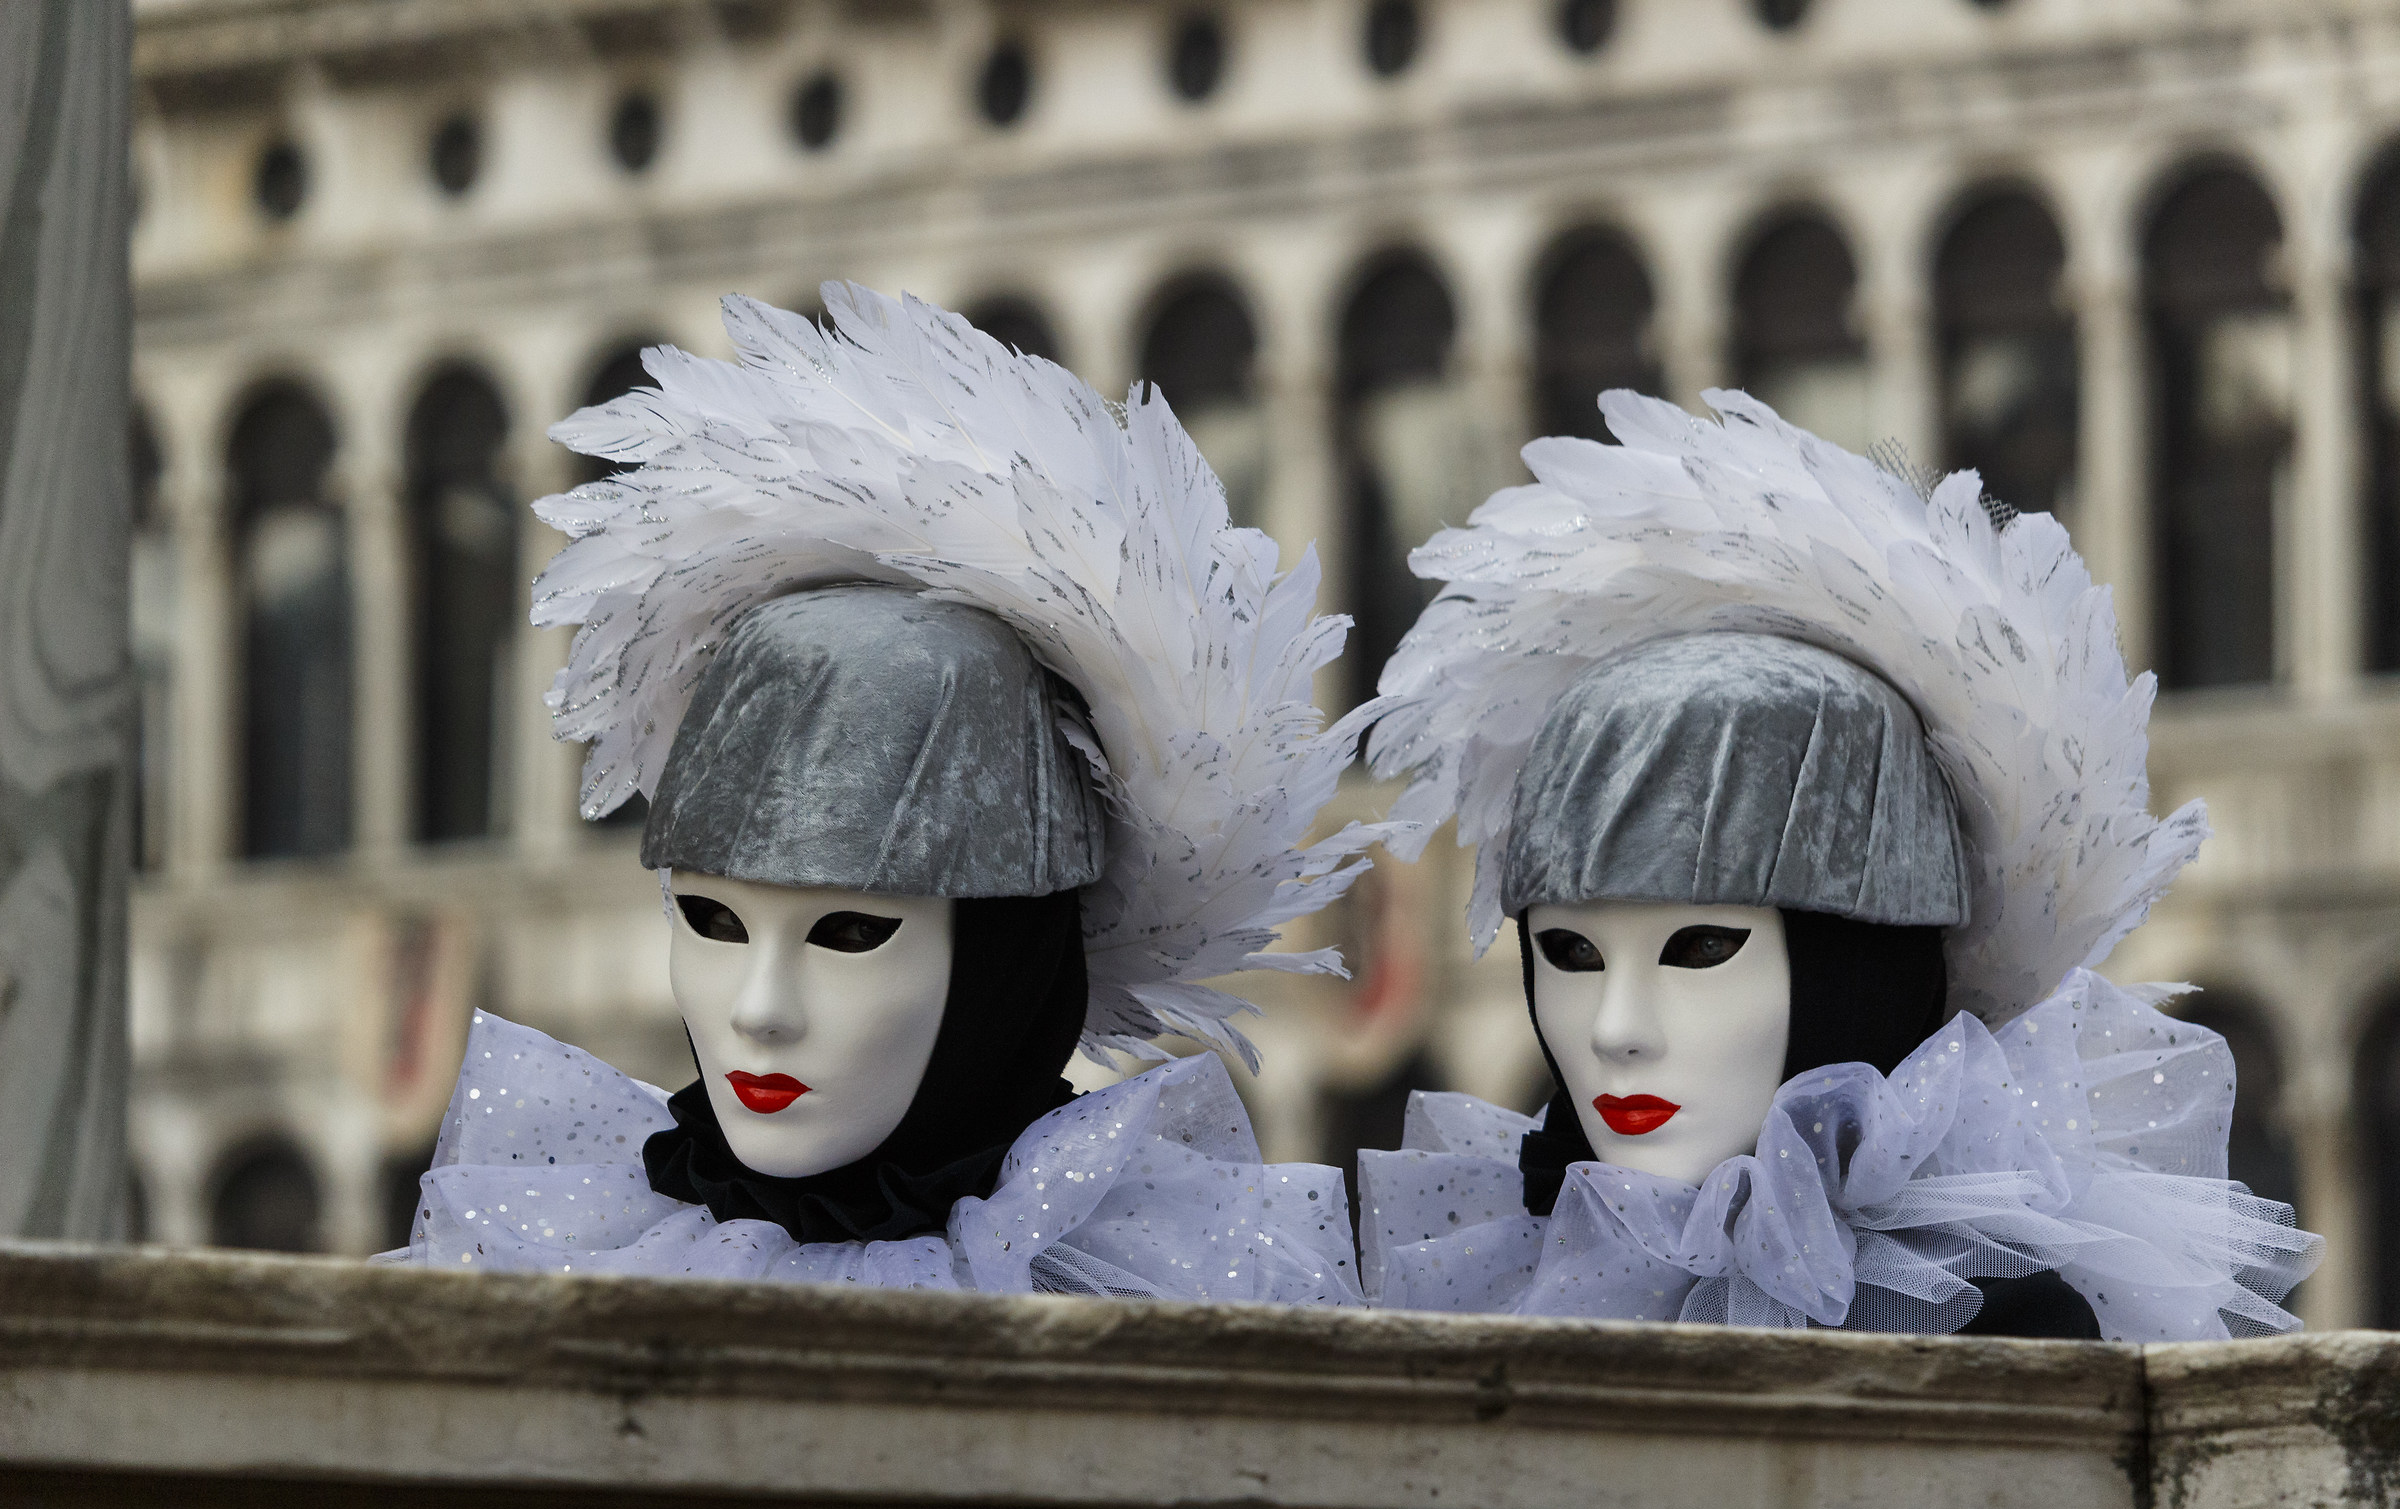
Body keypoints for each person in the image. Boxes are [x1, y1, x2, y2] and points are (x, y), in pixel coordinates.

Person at [380, 286, 1391, 1300]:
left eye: (850, 934)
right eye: (712, 920)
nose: (761, 1013)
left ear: (1007, 966)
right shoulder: (554, 1257)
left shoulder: (1159, 1285)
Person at [1355, 389, 2321, 1340]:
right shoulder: (1498, 1287)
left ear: (1855, 969)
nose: (1617, 1030)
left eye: (1698, 949)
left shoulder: (1988, 1316)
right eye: (1570, 953)